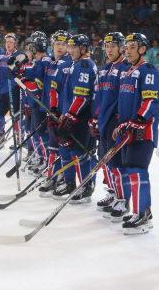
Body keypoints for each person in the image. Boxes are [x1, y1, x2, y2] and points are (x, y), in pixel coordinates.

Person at [114, 33, 159, 234]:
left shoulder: (148, 70)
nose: (128, 50)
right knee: (131, 169)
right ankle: (144, 213)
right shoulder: (126, 72)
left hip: (143, 131)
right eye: (126, 46)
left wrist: (136, 121)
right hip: (128, 130)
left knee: (137, 169)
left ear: (143, 49)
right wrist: (121, 124)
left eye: (132, 46)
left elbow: (151, 101)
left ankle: (140, 214)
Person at [51, 34, 98, 202]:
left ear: (84, 49)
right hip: (71, 113)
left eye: (73, 47)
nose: (69, 50)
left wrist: (70, 116)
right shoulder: (75, 64)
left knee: (78, 152)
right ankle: (70, 182)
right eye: (69, 47)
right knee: (65, 148)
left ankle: (85, 187)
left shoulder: (84, 65)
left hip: (81, 116)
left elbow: (83, 96)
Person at [92, 32, 132, 219]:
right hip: (104, 121)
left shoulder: (125, 67)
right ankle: (113, 193)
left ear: (121, 47)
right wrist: (95, 117)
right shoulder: (104, 69)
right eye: (107, 47)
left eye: (113, 46)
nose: (109, 50)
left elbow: (125, 97)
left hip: (116, 120)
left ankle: (123, 200)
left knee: (117, 163)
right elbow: (99, 97)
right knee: (107, 161)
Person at [38, 30, 75, 196]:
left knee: (57, 147)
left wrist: (60, 111)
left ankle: (56, 177)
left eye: (63, 44)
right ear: (51, 46)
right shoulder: (53, 63)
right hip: (52, 111)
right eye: (57, 43)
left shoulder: (66, 64)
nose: (60, 47)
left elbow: (63, 92)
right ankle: (54, 176)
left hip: (61, 113)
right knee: (54, 147)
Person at [21, 35, 52, 173]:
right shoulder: (38, 62)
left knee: (41, 132)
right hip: (33, 102)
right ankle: (41, 158)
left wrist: (24, 79)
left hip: (40, 103)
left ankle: (45, 159)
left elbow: (38, 85)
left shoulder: (44, 60)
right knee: (35, 131)